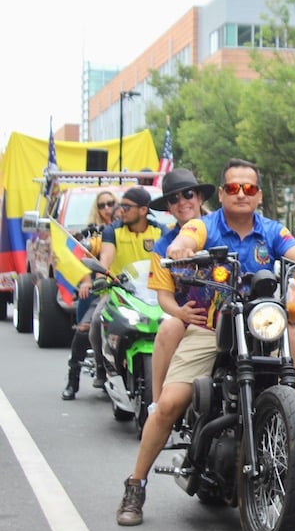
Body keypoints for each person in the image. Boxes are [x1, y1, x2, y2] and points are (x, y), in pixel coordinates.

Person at [116, 159, 295, 526]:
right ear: (221, 193)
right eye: (233, 188)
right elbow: (188, 238)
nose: (241, 194)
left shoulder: (271, 229)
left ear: (259, 195)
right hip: (209, 327)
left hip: (259, 328)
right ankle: (136, 484)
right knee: (171, 401)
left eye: (248, 188)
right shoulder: (202, 226)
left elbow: (293, 250)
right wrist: (181, 248)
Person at [62, 188, 163, 399]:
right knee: (96, 322)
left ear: (143, 210)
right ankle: (100, 369)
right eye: (120, 206)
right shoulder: (112, 231)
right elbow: (106, 257)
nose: (120, 210)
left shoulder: (160, 231)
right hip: (119, 291)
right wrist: (101, 277)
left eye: (126, 207)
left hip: (153, 293)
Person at [146, 168, 215, 406]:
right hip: (192, 320)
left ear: (199, 197)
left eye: (187, 194)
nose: (182, 202)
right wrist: (180, 313)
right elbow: (164, 296)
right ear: (168, 207)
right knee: (169, 327)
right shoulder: (162, 246)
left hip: (231, 316)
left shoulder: (221, 229)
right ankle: (158, 403)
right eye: (173, 199)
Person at [60, 190, 118, 400]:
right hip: (102, 289)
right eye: (101, 205)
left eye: (110, 203)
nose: (106, 209)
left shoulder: (129, 230)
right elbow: (79, 258)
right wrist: (85, 280)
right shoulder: (91, 234)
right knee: (85, 328)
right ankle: (72, 379)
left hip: (132, 291)